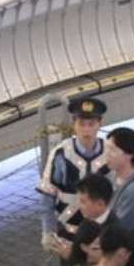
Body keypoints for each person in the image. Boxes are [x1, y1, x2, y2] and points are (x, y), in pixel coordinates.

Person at [38, 94, 110, 243]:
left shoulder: (110, 152)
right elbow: (48, 194)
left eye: (91, 124)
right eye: (81, 124)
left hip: (104, 234)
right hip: (69, 233)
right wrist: (48, 231)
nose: (86, 130)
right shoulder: (61, 153)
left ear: (100, 124)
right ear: (74, 124)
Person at [102, 127, 134, 236]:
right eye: (106, 149)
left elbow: (120, 231)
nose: (107, 154)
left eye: (112, 149)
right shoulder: (108, 178)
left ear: (129, 154)